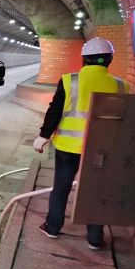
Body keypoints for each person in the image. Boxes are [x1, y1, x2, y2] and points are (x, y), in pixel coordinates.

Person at [33, 37, 128, 250]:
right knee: (96, 191)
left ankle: (53, 227)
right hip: (102, 150)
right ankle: (95, 239)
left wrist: (43, 135)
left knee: (61, 189)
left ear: (84, 59)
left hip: (68, 147)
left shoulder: (69, 80)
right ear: (109, 59)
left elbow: (55, 110)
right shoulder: (122, 86)